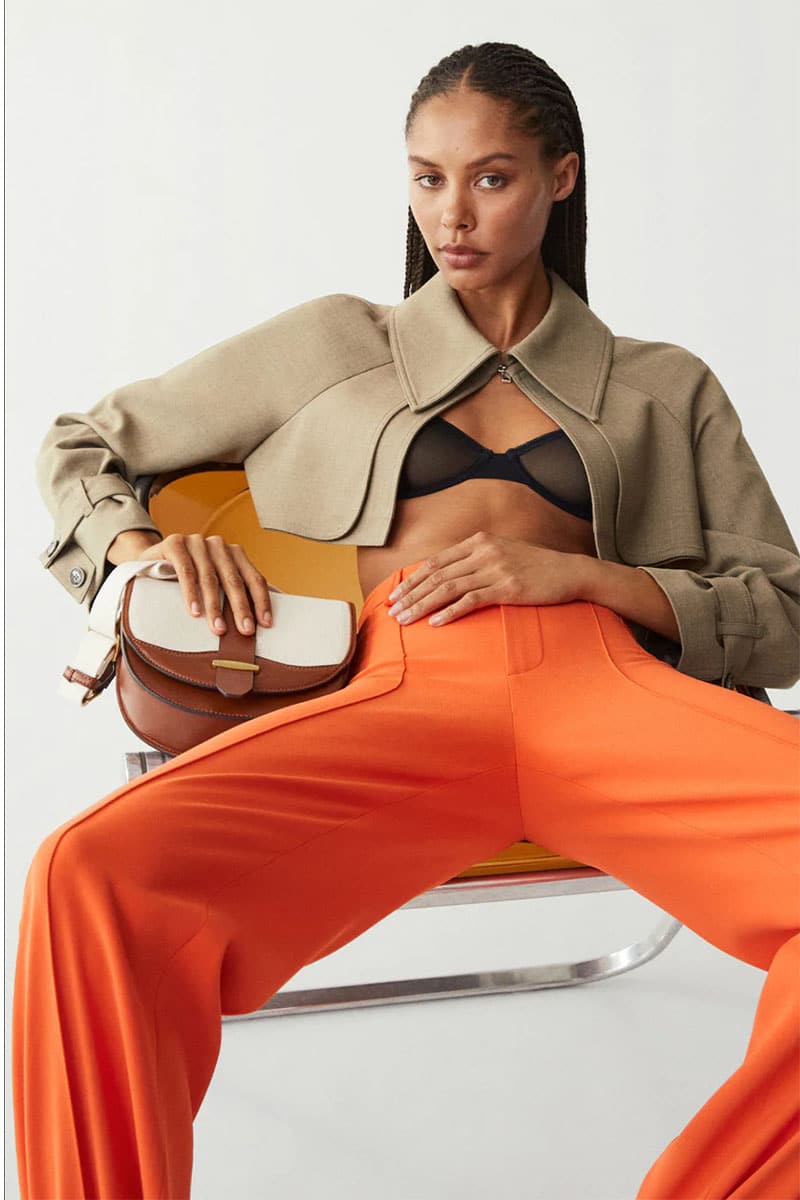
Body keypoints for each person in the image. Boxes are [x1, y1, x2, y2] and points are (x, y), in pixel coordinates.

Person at [13, 40, 800, 1200]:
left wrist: (589, 581)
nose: (453, 212)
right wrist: (138, 556)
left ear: (559, 179)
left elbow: (780, 609)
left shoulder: (662, 384)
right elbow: (81, 446)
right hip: (398, 692)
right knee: (86, 875)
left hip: (611, 694)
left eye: (490, 176)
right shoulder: (335, 343)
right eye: (426, 178)